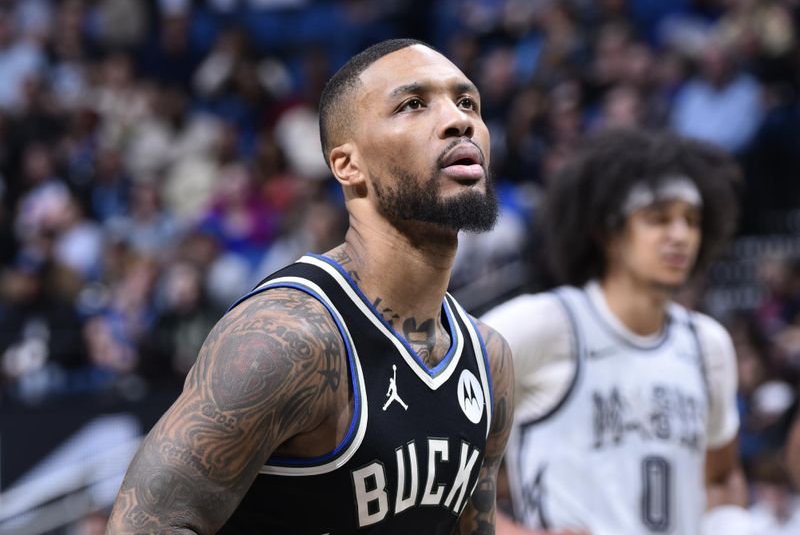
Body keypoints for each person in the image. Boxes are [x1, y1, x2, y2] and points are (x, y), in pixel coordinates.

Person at [106, 38, 514, 534]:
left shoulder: (488, 359)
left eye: (467, 101)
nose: (458, 120)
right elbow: (143, 525)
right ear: (348, 164)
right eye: (413, 104)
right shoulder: (287, 338)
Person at [481, 131, 752, 535]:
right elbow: (434, 451)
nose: (680, 235)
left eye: (692, 221)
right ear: (608, 233)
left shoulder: (707, 345)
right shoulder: (541, 325)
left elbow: (722, 477)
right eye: (659, 218)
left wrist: (726, 522)